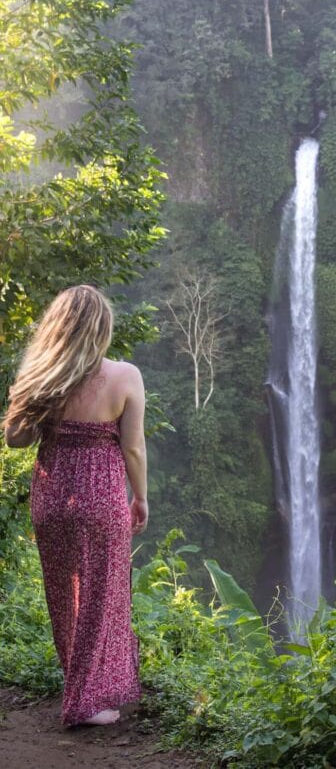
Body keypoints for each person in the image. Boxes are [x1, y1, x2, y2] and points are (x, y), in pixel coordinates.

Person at [2, 284, 148, 727]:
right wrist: (140, 496)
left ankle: (80, 686)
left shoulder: (43, 378)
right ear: (101, 328)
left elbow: (16, 439)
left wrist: (27, 400)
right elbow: (134, 448)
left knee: (65, 598)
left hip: (51, 499)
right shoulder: (125, 376)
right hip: (102, 499)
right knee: (103, 598)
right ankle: (86, 702)